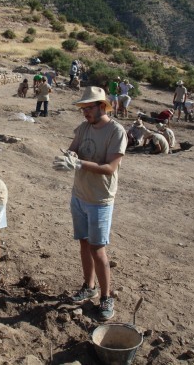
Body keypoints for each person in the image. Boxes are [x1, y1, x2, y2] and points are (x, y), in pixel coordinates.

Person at [53, 86, 127, 321]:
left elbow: (109, 168)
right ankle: (89, 286)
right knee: (84, 243)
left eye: (88, 108)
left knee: (97, 249)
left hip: (99, 200)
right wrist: (68, 157)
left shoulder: (116, 131)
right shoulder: (84, 127)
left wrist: (79, 164)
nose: (84, 112)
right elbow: (73, 149)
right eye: (82, 108)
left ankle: (106, 298)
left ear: (102, 106)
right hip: (79, 195)